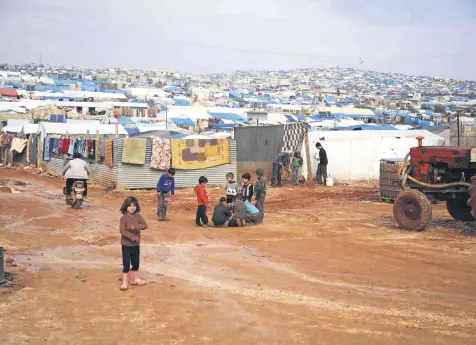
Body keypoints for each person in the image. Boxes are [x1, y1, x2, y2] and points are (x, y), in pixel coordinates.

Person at [119, 196, 148, 291]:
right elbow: (122, 231)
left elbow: (145, 225)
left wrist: (137, 227)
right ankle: (125, 282)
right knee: (126, 264)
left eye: (134, 206)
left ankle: (135, 279)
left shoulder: (138, 216)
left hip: (136, 245)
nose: (132, 208)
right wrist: (132, 237)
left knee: (136, 263)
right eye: (130, 206)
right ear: (125, 207)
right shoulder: (123, 218)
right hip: (126, 245)